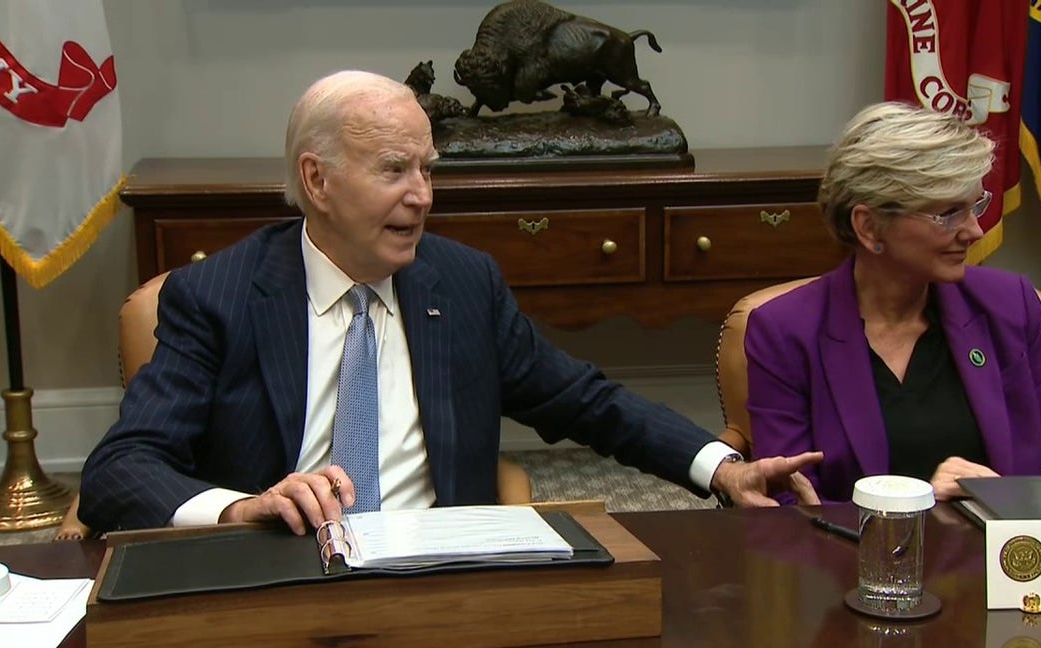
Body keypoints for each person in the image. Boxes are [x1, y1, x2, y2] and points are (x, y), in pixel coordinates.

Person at [78, 70, 821, 535]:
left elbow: (586, 401)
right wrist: (243, 509)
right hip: (281, 573)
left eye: (428, 170)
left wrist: (722, 468)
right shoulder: (219, 296)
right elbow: (121, 469)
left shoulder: (461, 282)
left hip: (444, 579)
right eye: (395, 169)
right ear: (317, 181)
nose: (423, 196)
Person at [743, 101, 1041, 504]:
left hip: (1002, 558)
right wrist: (918, 502)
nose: (975, 230)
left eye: (975, 205)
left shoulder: (1009, 307)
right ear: (868, 226)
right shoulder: (786, 331)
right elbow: (793, 510)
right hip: (857, 562)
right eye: (949, 214)